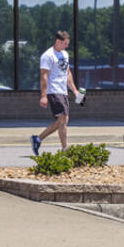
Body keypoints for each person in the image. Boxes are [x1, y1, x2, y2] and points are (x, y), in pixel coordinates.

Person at [31, 28, 82, 156]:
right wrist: (44, 95)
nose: (67, 46)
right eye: (65, 43)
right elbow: (44, 76)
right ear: (58, 41)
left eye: (68, 43)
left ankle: (37, 139)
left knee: (63, 121)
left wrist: (75, 90)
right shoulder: (48, 55)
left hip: (63, 91)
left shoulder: (65, 54)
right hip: (53, 91)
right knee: (63, 119)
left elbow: (67, 73)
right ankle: (65, 150)